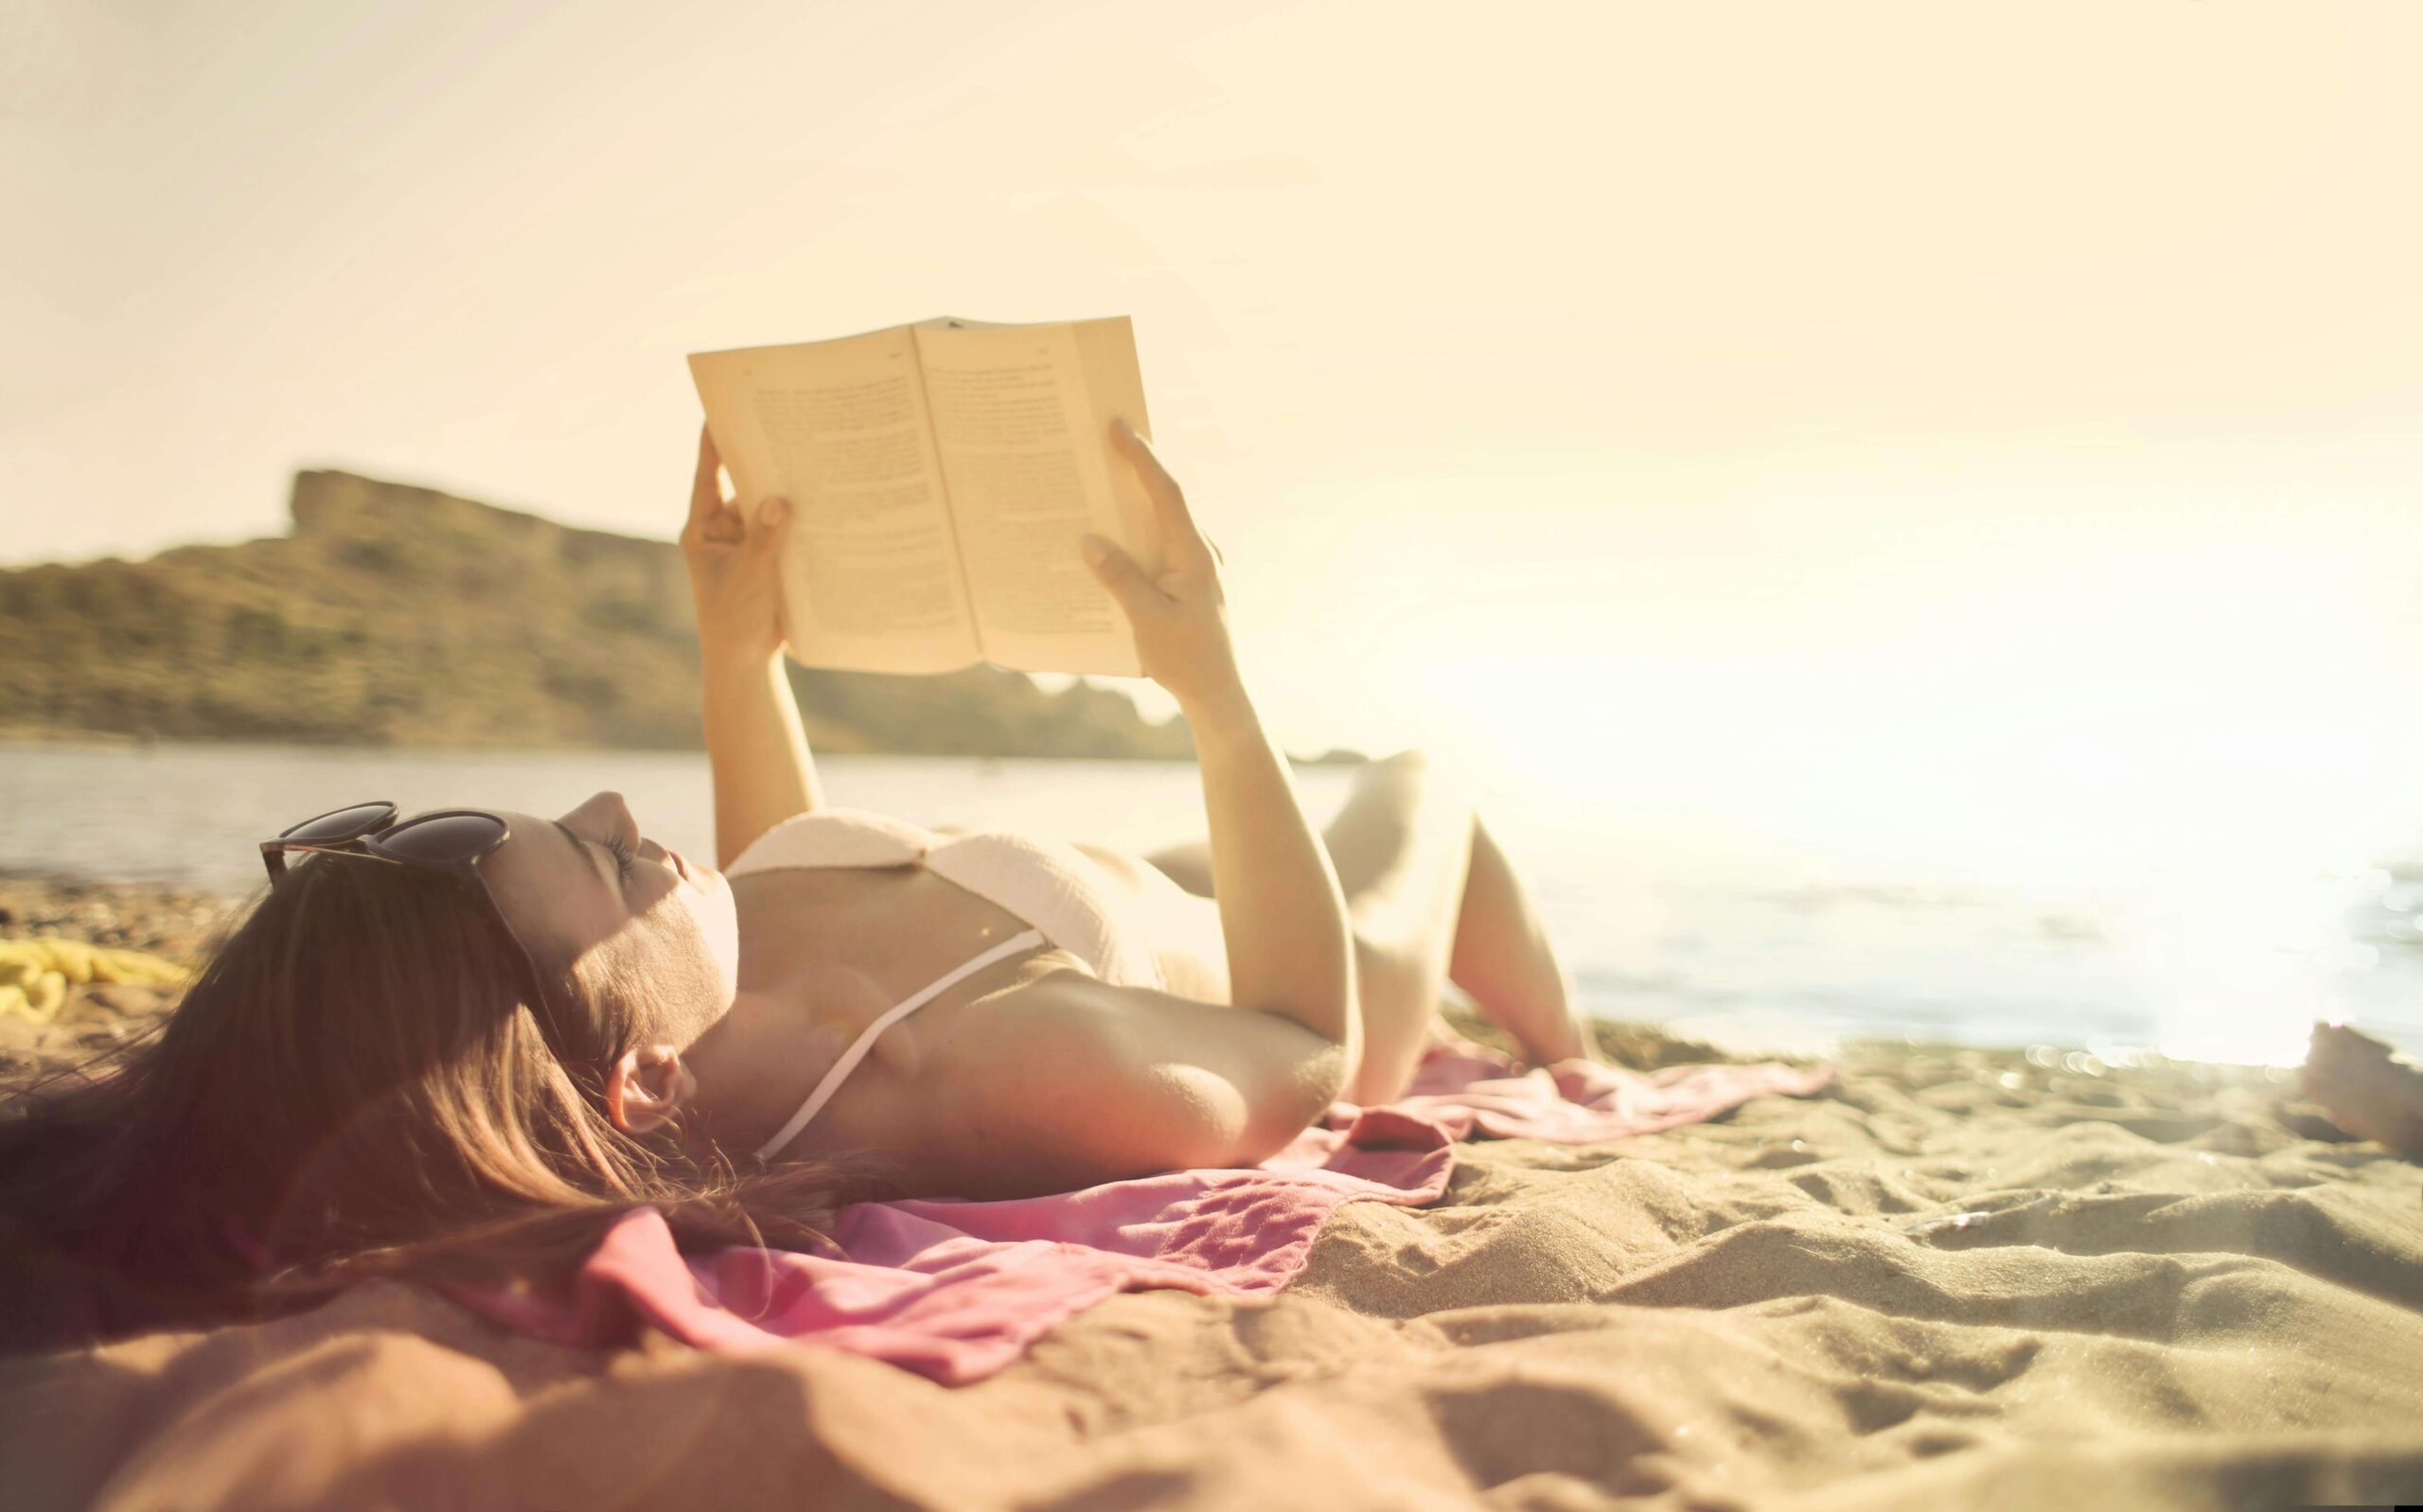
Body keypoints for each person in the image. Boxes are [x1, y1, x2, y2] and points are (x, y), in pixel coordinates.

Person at [0, 420, 1589, 1345]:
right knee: (1427, 788)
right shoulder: (988, 1066)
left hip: (1132, 887)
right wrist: (1212, 689)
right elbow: (1295, 1035)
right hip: (1309, 960)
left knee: (1424, 812)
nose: (630, 808)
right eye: (615, 864)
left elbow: (768, 867)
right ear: (639, 1079)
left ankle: (1562, 1034)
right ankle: (1573, 1052)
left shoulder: (680, 1008)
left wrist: (737, 646)